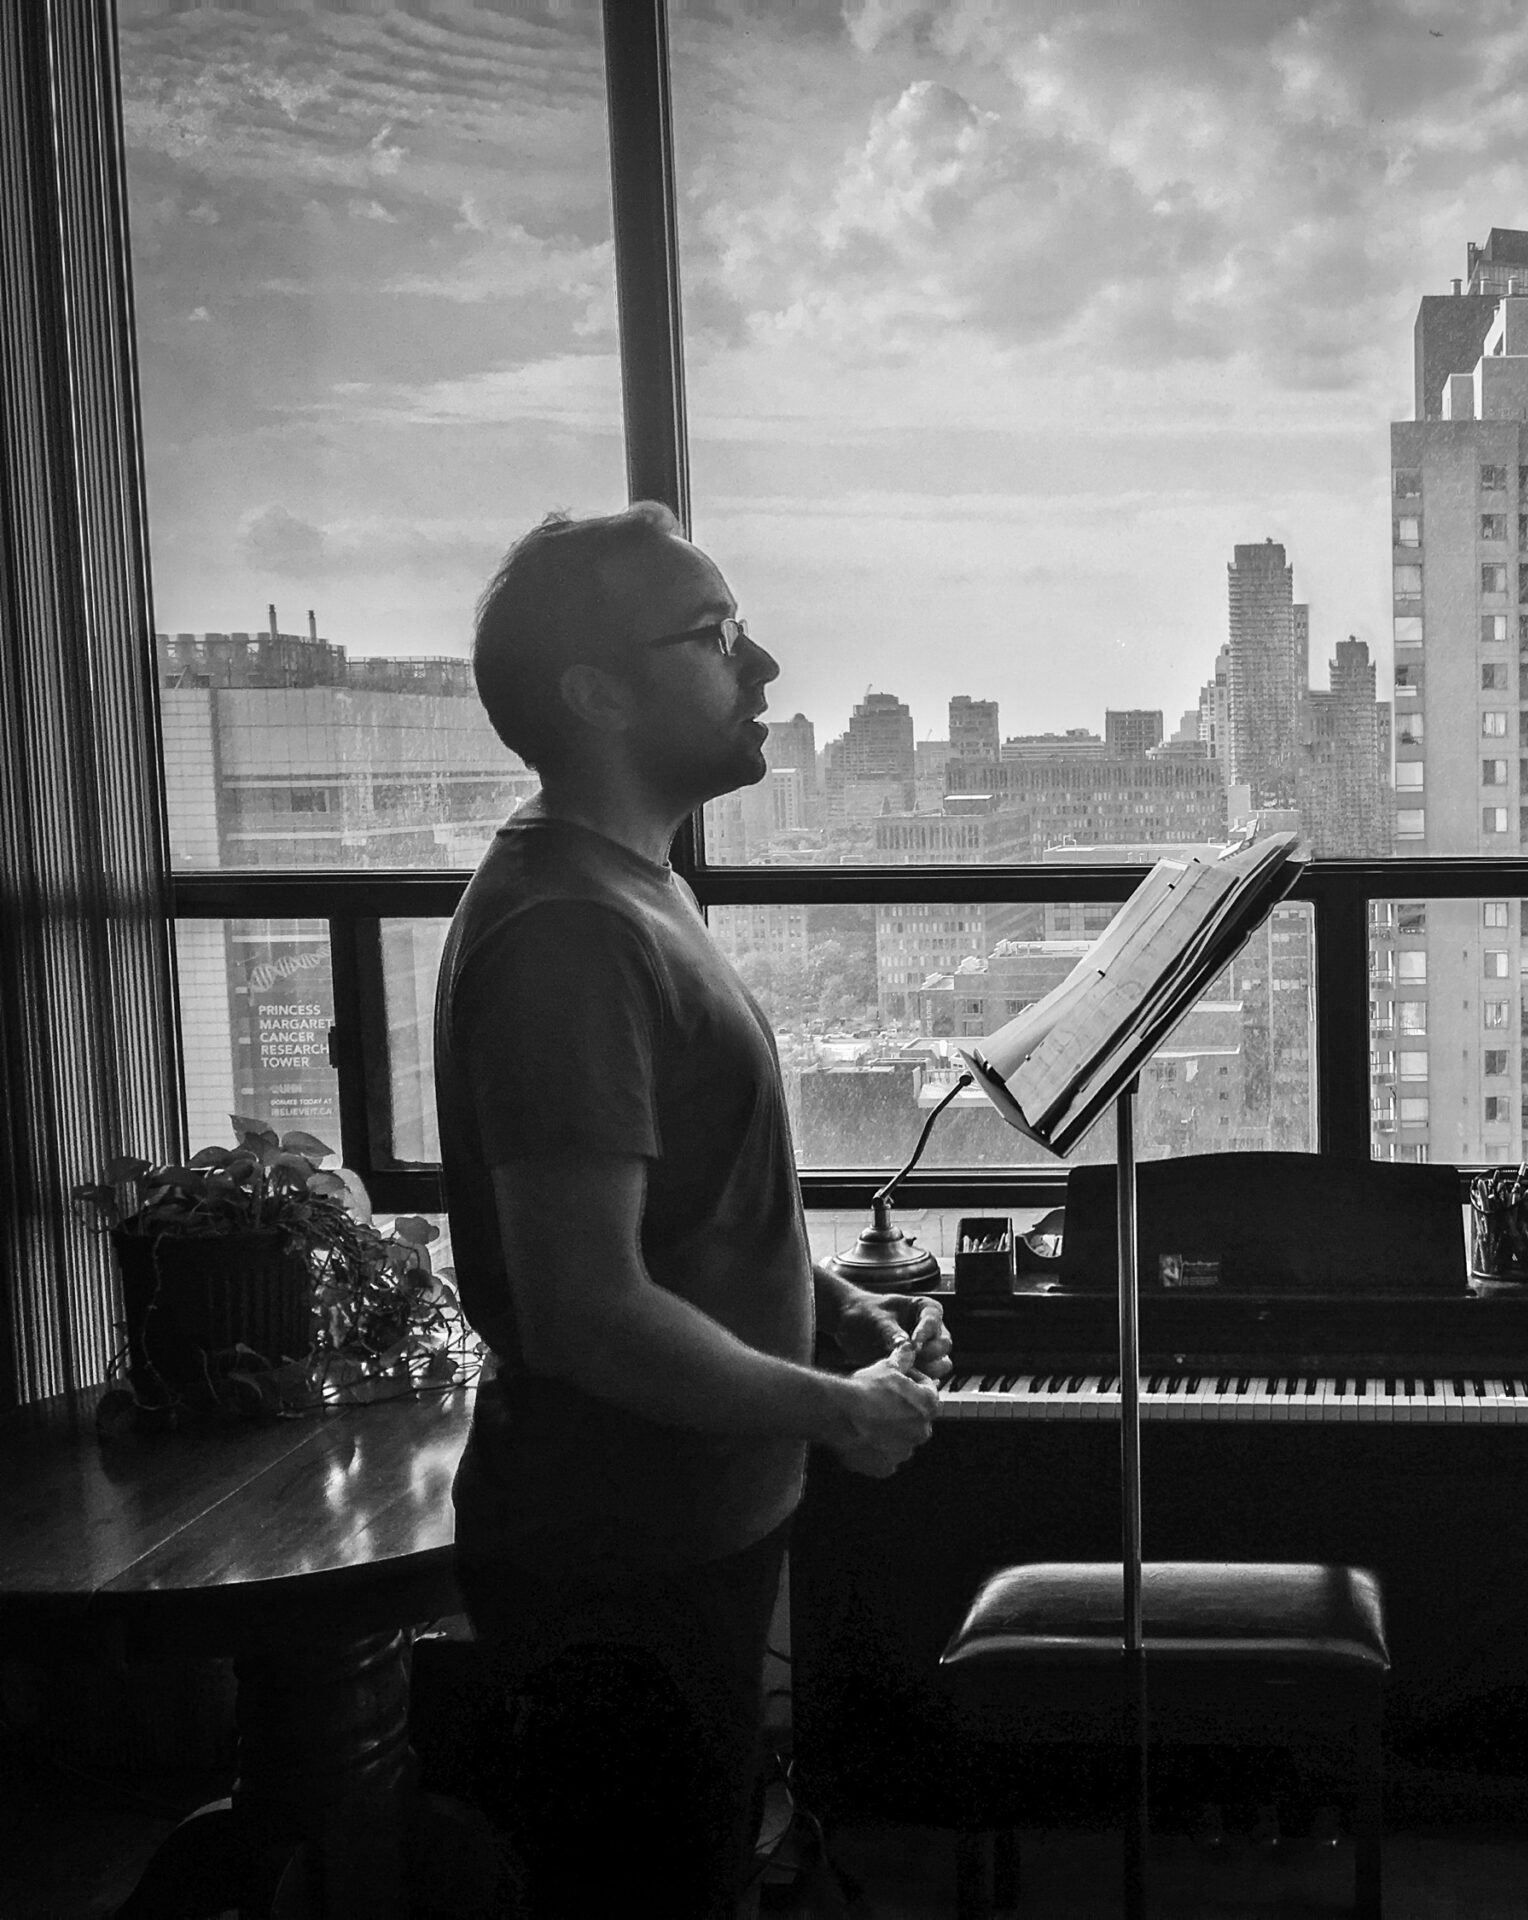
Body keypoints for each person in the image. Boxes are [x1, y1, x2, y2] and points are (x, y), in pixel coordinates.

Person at [434, 501, 952, 1917]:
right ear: (595, 694)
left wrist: (832, 1313)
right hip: (622, 1574)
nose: (764, 663)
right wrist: (833, 1412)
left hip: (683, 1541)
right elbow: (589, 1312)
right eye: (714, 635)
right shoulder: (570, 938)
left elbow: (692, 1212)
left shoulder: (637, 890)